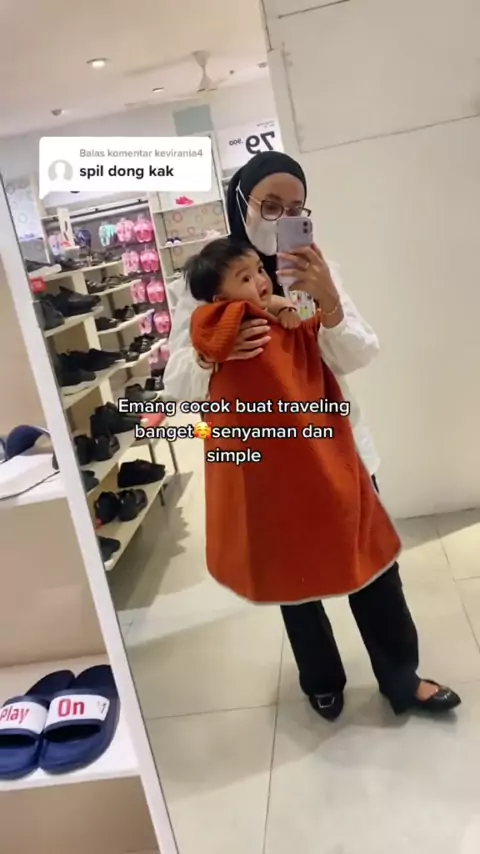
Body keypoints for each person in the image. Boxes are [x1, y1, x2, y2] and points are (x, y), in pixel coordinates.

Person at [164, 151, 460, 719]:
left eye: (296, 207)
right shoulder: (201, 282)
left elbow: (359, 354)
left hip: (337, 447)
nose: (284, 218)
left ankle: (402, 679)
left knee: (373, 567)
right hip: (265, 460)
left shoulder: (316, 268)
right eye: (270, 205)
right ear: (240, 203)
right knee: (291, 575)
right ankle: (320, 678)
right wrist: (210, 355)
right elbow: (176, 387)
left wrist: (328, 302)